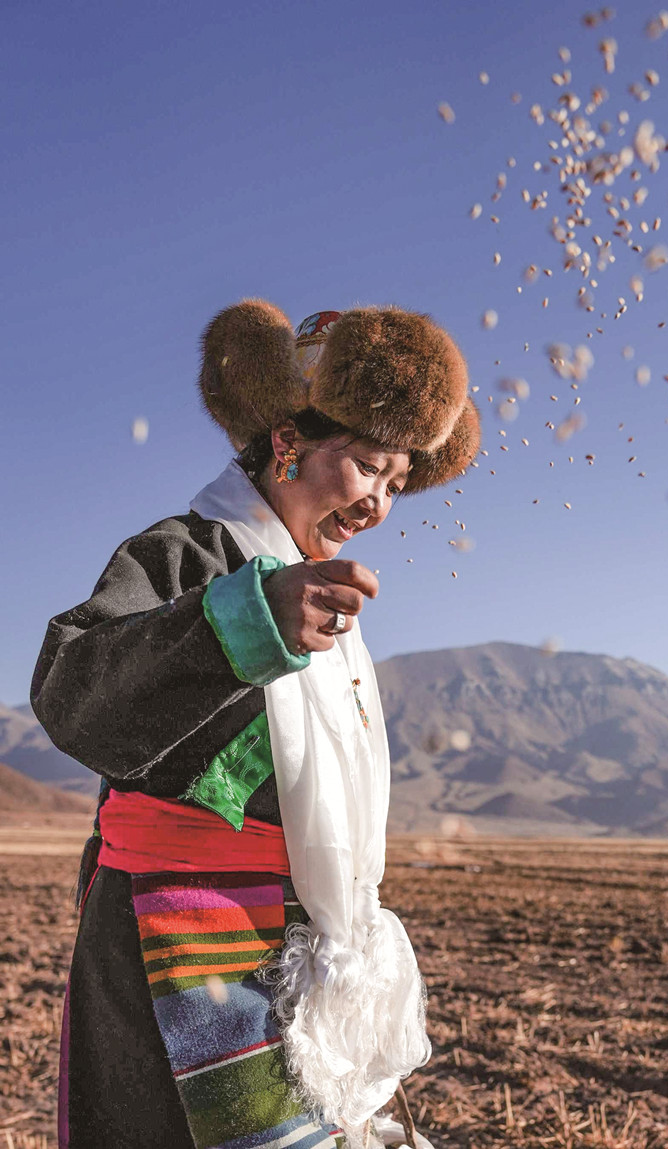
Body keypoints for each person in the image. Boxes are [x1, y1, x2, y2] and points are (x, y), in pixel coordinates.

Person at [31, 301, 480, 1149]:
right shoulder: (188, 553)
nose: (380, 503)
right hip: (174, 939)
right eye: (369, 467)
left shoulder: (319, 595)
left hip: (285, 943)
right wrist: (243, 621)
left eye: (396, 483)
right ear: (287, 441)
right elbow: (69, 691)